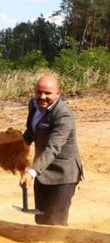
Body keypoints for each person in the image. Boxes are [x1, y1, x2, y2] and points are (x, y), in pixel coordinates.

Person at [19, 75, 83, 226]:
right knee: (41, 219)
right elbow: (32, 131)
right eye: (39, 92)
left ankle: (63, 242)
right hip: (42, 172)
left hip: (63, 174)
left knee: (56, 222)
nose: (42, 97)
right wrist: (18, 147)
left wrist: (32, 172)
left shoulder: (63, 115)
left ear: (58, 94)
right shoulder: (33, 105)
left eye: (48, 93)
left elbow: (52, 148)